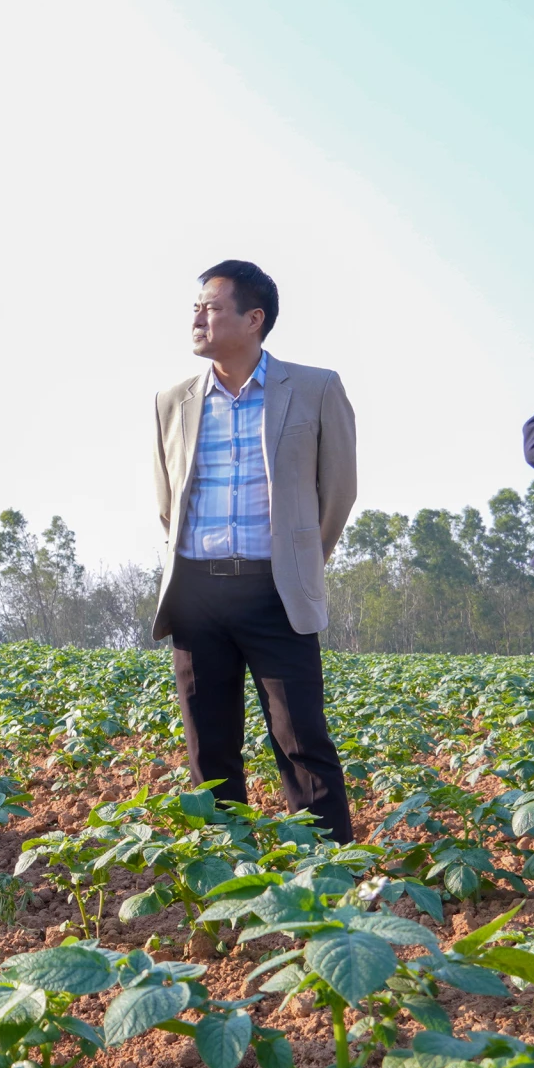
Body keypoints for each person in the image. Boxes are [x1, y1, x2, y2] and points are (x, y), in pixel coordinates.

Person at [151, 260, 357, 844]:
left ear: (254, 318)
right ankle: (225, 871)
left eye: (210, 307)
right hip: (196, 594)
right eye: (195, 307)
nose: (197, 317)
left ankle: (330, 866)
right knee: (208, 746)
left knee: (301, 740)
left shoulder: (314, 389)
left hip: (275, 591)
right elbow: (168, 500)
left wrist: (299, 563)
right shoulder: (173, 401)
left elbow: (337, 491)